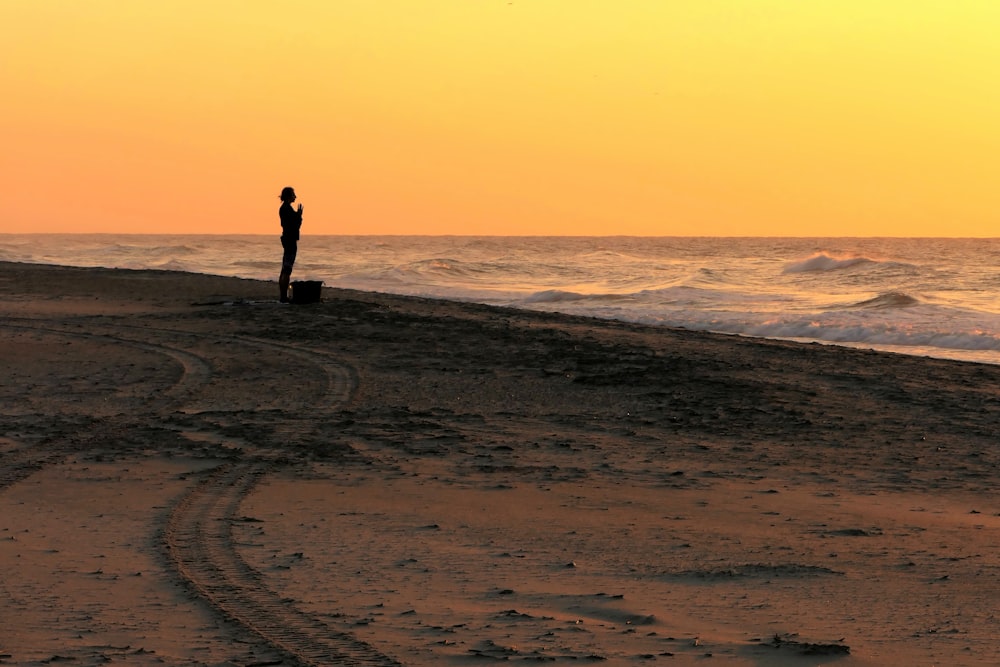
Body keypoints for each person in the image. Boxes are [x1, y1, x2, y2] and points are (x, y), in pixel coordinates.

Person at [277, 186, 303, 302]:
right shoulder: (286, 209)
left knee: (285, 269)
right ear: (288, 196)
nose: (295, 197)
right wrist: (299, 216)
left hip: (287, 239)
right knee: (287, 269)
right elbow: (294, 225)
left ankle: (283, 295)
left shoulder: (285, 208)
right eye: (293, 194)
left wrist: (297, 215)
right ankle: (284, 296)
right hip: (290, 240)